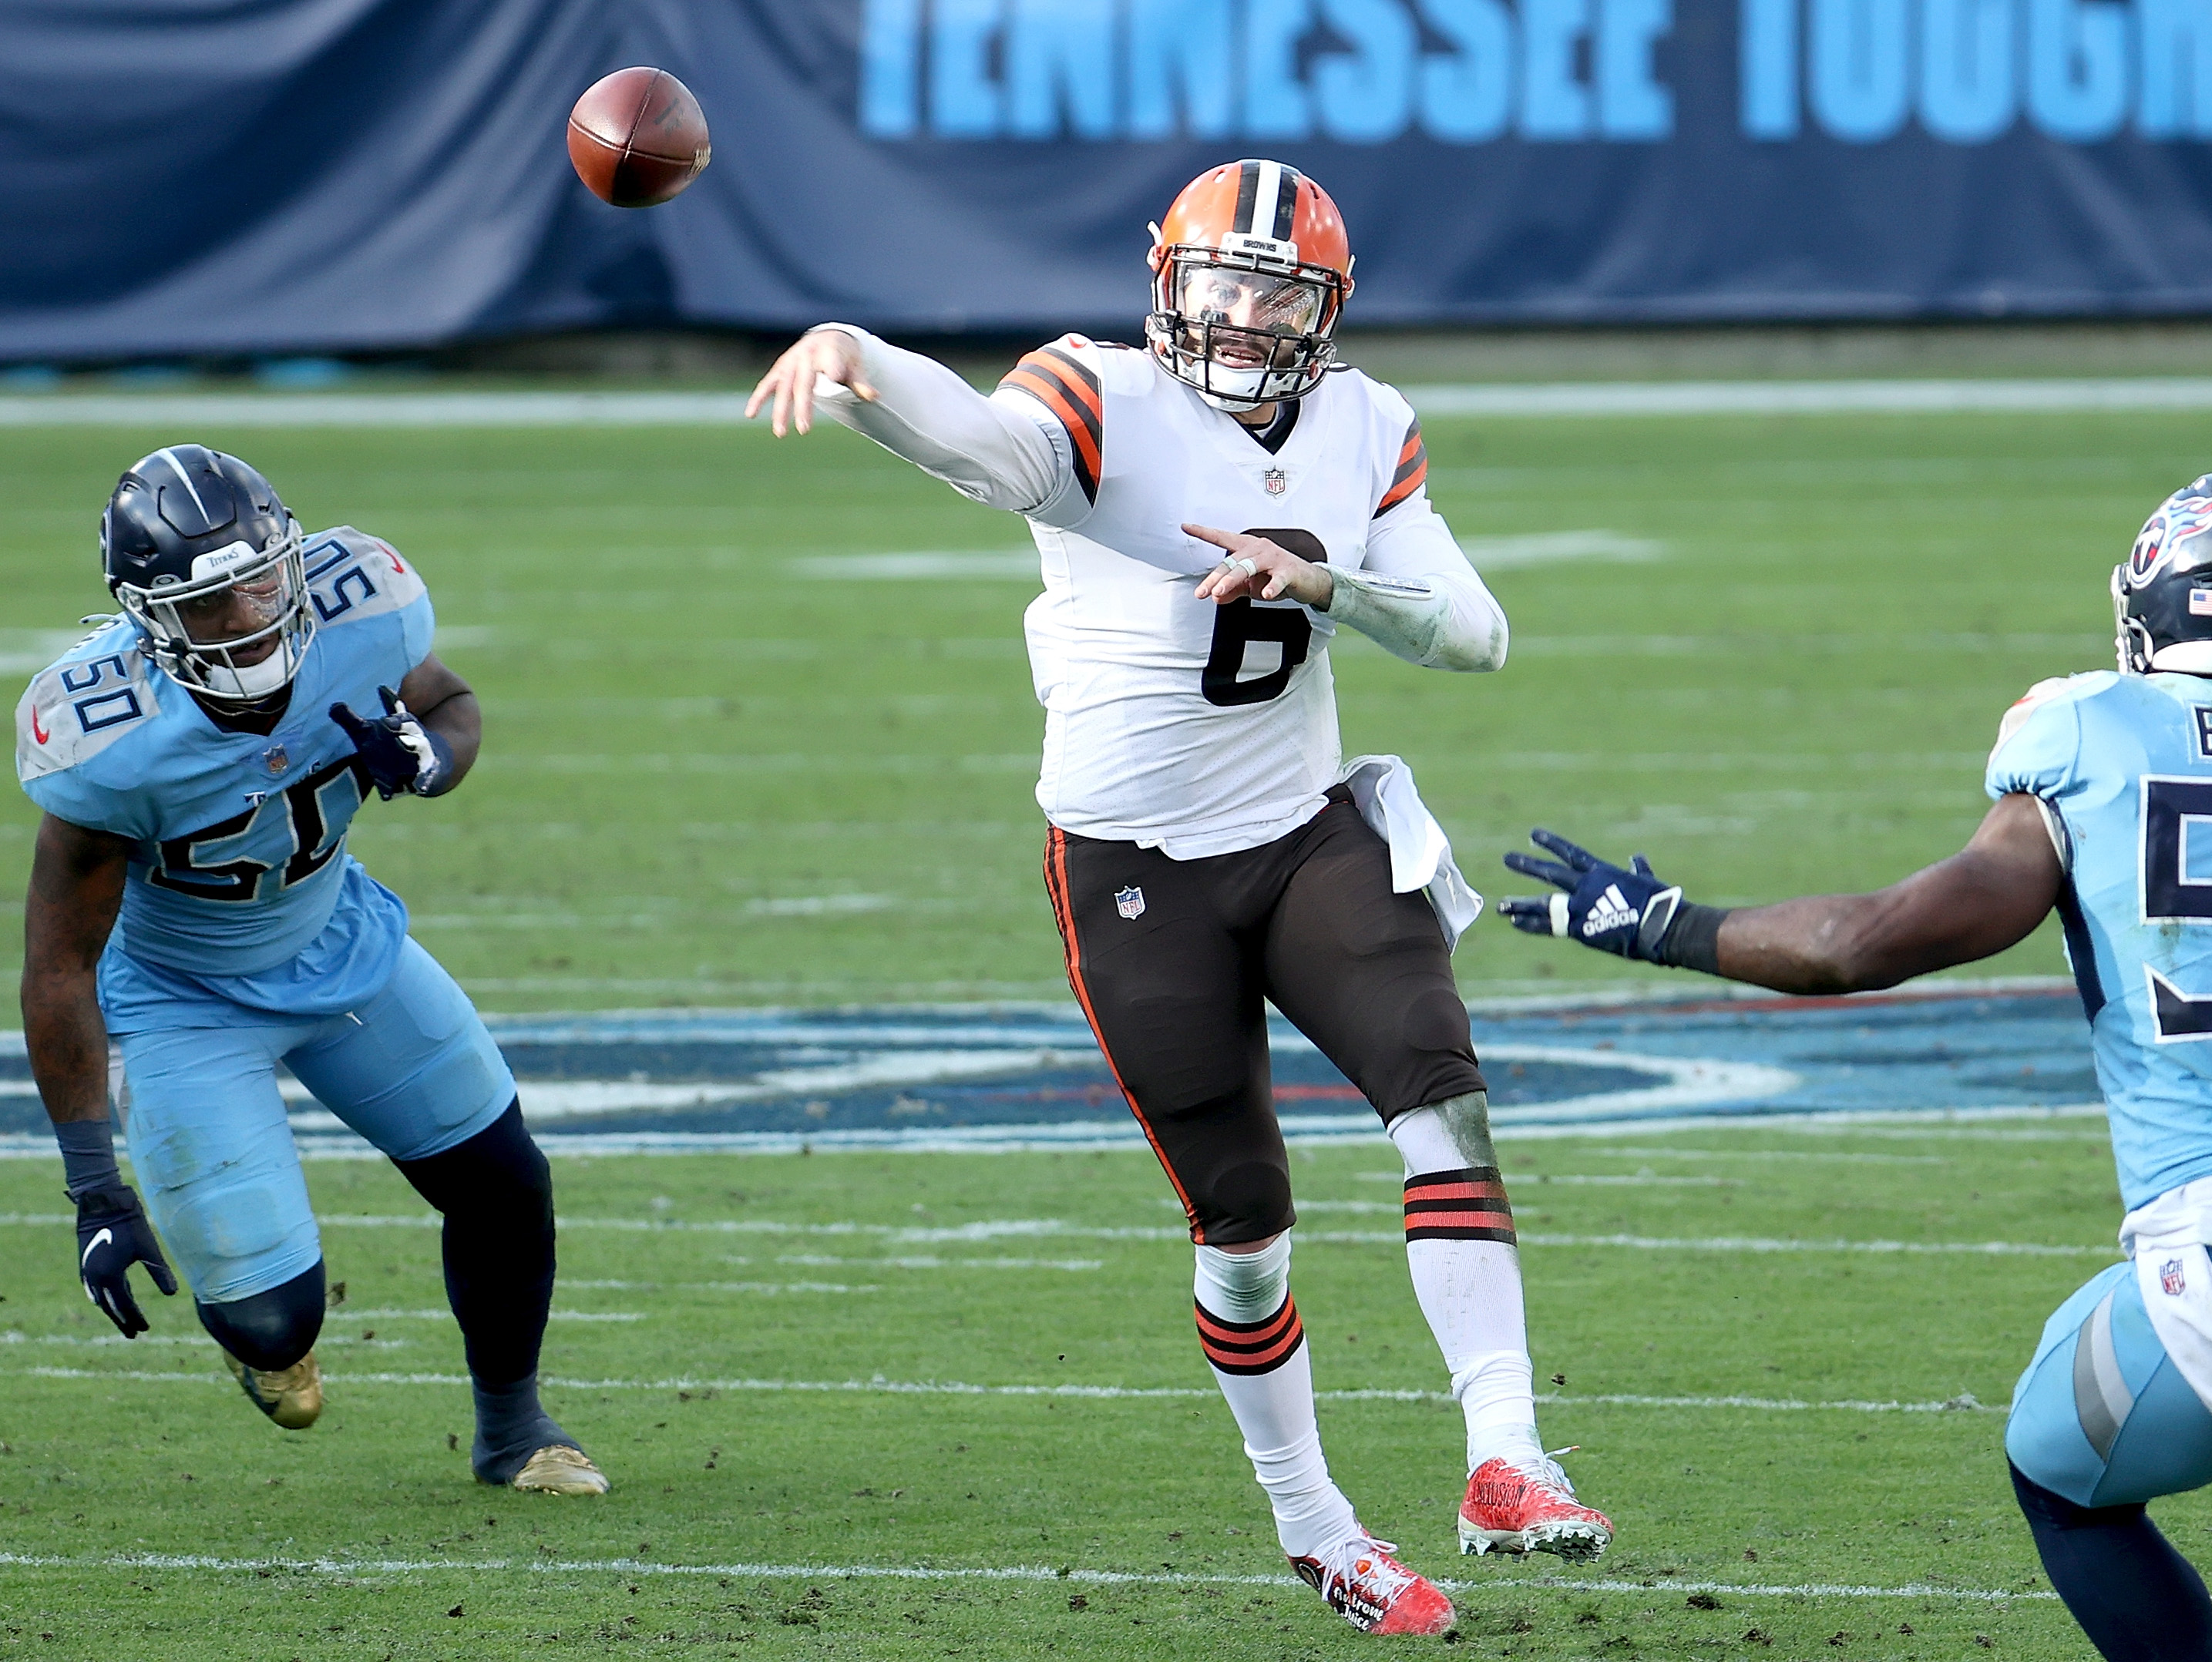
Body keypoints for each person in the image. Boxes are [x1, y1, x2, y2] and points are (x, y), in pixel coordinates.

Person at [748, 159, 1610, 1634]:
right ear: (1166, 280)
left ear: (1326, 311)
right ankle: (1315, 1523)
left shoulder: (1363, 423)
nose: (1244, 315)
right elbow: (986, 455)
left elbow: (1474, 633)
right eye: (1221, 283)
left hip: (1305, 828)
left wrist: (1324, 581)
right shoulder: (1099, 392)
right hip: (1134, 862)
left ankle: (1506, 1455)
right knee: (1244, 1216)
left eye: (1278, 291)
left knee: (1438, 1091)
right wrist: (864, 361)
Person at [1500, 470, 2212, 1660]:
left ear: (2153, 611)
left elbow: (1856, 945)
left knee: (2060, 1475)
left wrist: (1666, 921)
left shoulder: (2094, 731)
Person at [16, 444, 606, 1496]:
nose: (248, 614)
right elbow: (61, 963)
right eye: (209, 601)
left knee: (508, 1185)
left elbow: (450, 701)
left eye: (260, 578)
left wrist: (431, 760)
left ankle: (513, 1429)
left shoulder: (358, 607)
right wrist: (96, 1188)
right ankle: (264, 1334)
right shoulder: (112, 740)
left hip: (341, 944)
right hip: (185, 1002)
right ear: (150, 617)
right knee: (275, 1324)